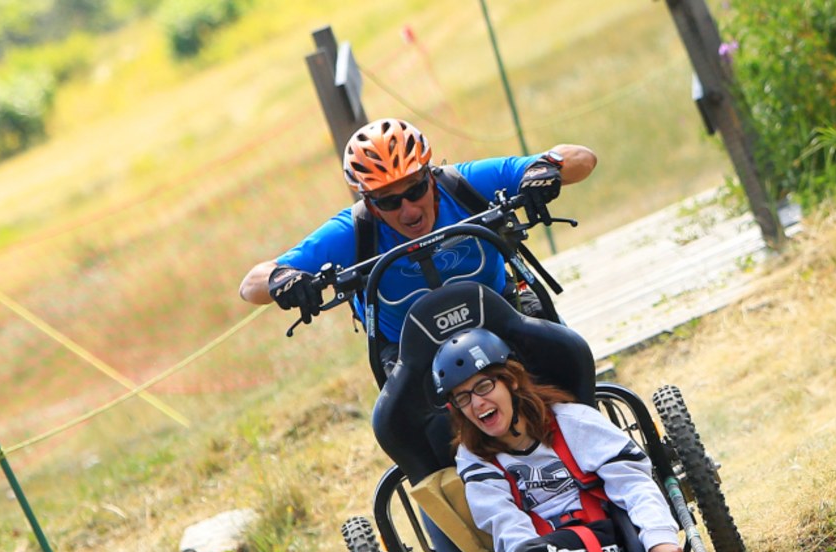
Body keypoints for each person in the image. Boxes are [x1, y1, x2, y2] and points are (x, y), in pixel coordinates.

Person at [237, 117, 597, 372]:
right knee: (400, 427)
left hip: (503, 313)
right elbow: (252, 284)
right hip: (413, 353)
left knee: (568, 361)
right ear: (369, 203)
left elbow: (581, 157)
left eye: (415, 190)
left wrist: (544, 171)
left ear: (431, 177)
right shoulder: (354, 230)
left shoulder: (462, 184)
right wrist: (282, 280)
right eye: (389, 201)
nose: (408, 210)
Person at [434, 328, 683, 552]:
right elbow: (504, 523)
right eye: (463, 397)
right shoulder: (474, 458)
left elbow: (633, 483)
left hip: (598, 543)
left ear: (511, 380)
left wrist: (658, 535)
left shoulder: (572, 422)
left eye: (484, 386)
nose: (477, 403)